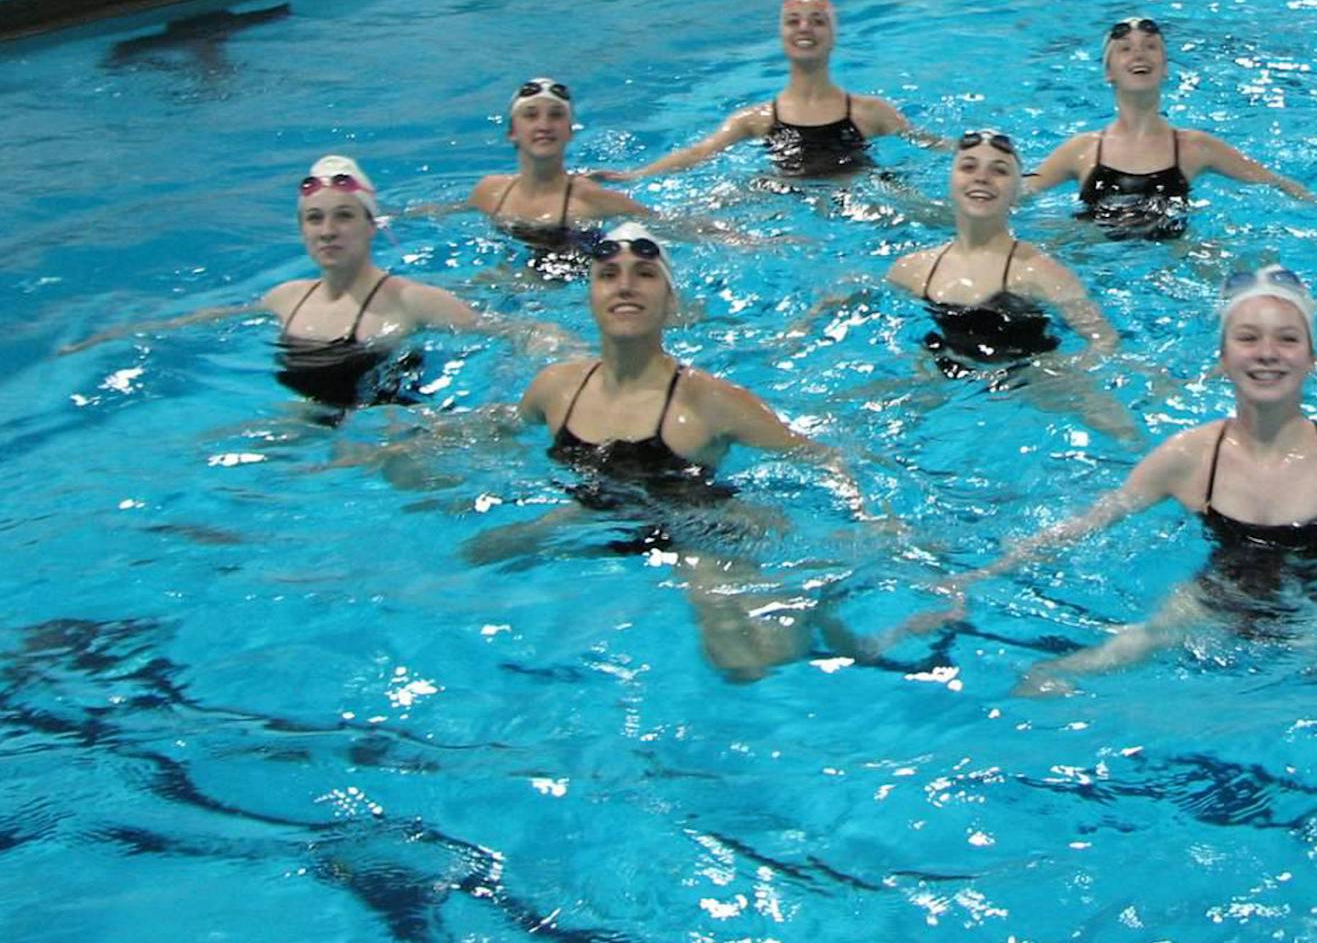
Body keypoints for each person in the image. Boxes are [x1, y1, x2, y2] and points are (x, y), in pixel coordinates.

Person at [890, 266, 1317, 694]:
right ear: (1223, 358)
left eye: (1287, 339)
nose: (1267, 353)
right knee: (1048, 676)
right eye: (1247, 338)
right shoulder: (1190, 457)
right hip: (1208, 608)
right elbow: (1082, 527)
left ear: (1309, 358)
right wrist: (972, 579)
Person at [516, 222, 860, 679]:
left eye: (644, 274)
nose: (625, 286)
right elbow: (501, 433)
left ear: (670, 302)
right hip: (595, 515)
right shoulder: (555, 389)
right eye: (608, 275)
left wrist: (869, 521)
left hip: (698, 534)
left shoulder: (711, 403)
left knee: (745, 663)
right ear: (590, 296)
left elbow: (822, 457)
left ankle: (822, 613)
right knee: (475, 557)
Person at [64, 155, 496, 412]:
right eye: (315, 219)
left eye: (344, 216)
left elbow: (504, 334)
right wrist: (113, 336)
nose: (328, 231)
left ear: (371, 226)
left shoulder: (412, 301)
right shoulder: (285, 299)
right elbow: (206, 319)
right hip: (312, 423)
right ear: (301, 230)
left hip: (391, 431)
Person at [1022, 15, 1317, 240]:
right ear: (1109, 72)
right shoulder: (1082, 149)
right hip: (1093, 255)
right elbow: (1018, 192)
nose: (1139, 54)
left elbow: (1273, 182)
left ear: (1165, 68)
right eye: (1125, 48)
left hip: (1170, 261)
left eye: (1150, 46)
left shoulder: (1195, 147)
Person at [603, 0, 930, 183]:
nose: (805, 28)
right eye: (793, 21)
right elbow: (700, 153)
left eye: (818, 21)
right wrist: (635, 176)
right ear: (782, 36)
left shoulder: (871, 112)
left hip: (860, 195)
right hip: (788, 200)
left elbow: (930, 145)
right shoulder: (754, 119)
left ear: (833, 37)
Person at [884, 130, 1121, 375]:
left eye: (999, 171)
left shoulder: (1040, 272)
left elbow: (1105, 341)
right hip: (946, 380)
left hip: (1029, 384)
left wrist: (1055, 374)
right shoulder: (912, 271)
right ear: (950, 181)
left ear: (1017, 191)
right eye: (968, 167)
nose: (982, 178)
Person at [450, 77, 651, 280]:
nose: (544, 125)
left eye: (556, 115)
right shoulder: (490, 192)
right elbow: (450, 212)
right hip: (513, 274)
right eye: (531, 115)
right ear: (512, 132)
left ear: (569, 131)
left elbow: (660, 226)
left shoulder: (590, 199)